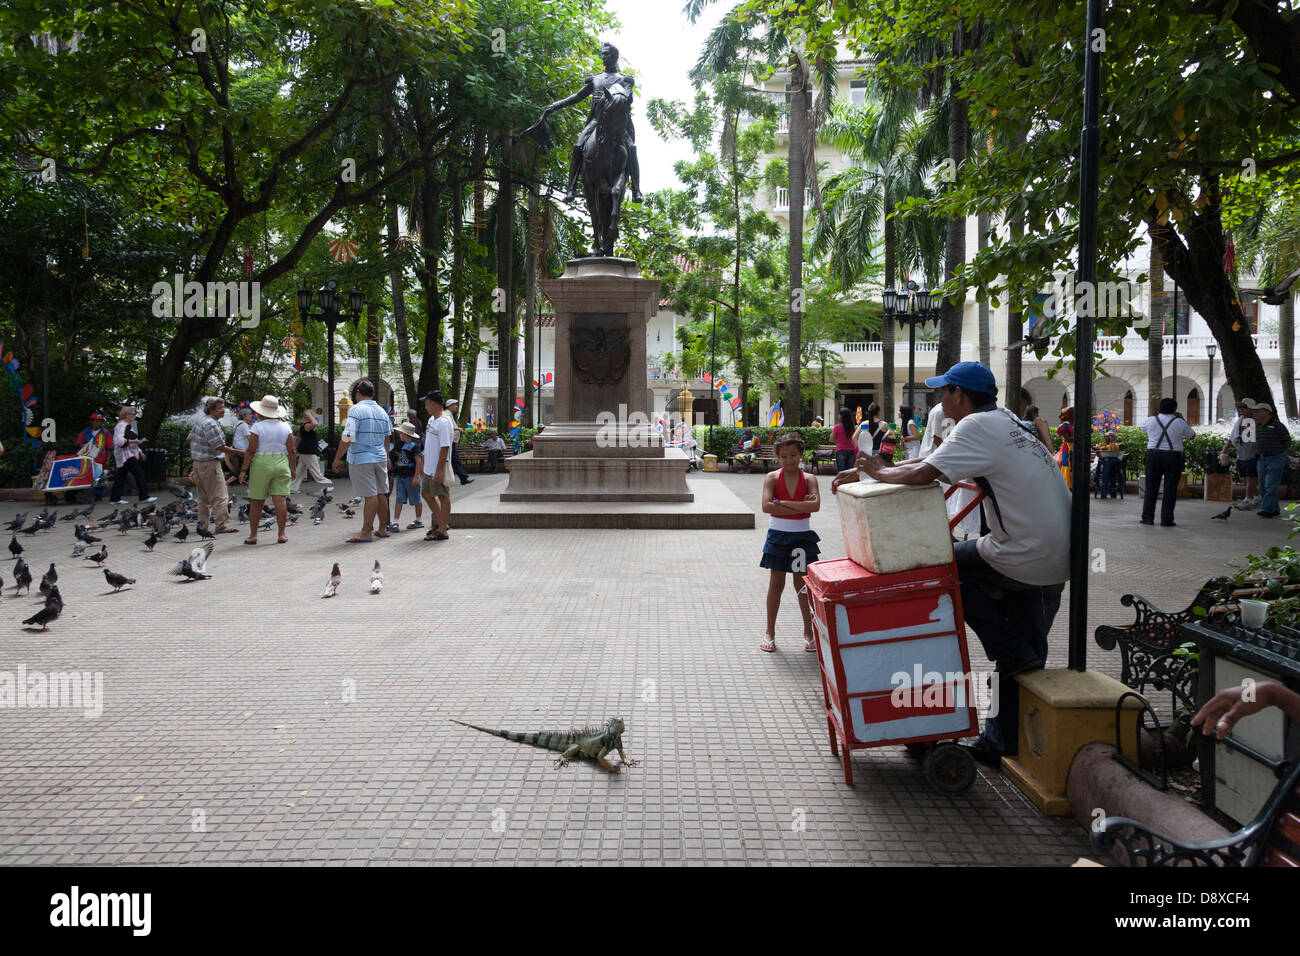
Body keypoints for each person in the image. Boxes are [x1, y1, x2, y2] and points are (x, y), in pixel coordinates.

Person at [831, 362, 1071, 766]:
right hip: (1057, 559)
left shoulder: (976, 426)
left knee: (938, 570)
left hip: (1021, 553)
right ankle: (1000, 743)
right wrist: (881, 473)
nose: (941, 401)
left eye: (945, 393)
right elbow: (931, 467)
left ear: (959, 395)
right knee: (1023, 660)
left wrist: (877, 472)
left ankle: (1006, 646)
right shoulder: (1008, 420)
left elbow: (924, 474)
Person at [760, 433, 821, 654]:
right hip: (778, 536)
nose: (789, 460)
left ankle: (808, 633)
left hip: (801, 538)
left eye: (793, 455)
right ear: (778, 457)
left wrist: (782, 503)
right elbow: (767, 507)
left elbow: (814, 507)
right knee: (776, 584)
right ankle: (770, 632)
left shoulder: (810, 479)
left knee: (802, 586)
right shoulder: (772, 478)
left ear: (801, 454)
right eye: (784, 456)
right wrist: (799, 506)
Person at [332, 380, 392, 543]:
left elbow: (348, 436)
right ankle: (382, 528)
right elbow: (387, 436)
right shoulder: (382, 411)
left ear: (358, 392)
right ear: (372, 394)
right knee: (381, 494)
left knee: (370, 496)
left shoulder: (356, 410)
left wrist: (337, 458)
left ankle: (366, 532)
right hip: (380, 457)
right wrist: (387, 456)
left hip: (362, 458)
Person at [239, 395, 297, 545]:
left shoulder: (257, 427)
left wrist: (244, 470)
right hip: (281, 462)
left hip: (261, 463)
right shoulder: (286, 427)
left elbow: (251, 450)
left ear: (262, 411)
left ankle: (253, 535)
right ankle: (282, 534)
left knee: (257, 501)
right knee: (280, 500)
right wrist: (293, 469)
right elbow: (292, 450)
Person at [1138, 397, 1197, 527]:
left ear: (1160, 408)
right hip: (1173, 456)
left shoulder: (1151, 420)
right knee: (1170, 489)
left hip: (1154, 455)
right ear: (1175, 409)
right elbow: (1192, 436)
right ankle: (1166, 520)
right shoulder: (1179, 422)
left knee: (1151, 487)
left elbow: (1141, 428)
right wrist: (1181, 419)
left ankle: (1147, 518)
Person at [187, 397, 239, 533]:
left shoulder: (200, 421)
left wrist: (199, 452)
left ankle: (202, 526)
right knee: (220, 496)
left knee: (203, 498)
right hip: (210, 464)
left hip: (198, 464)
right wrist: (240, 452)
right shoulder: (211, 424)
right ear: (211, 409)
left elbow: (189, 440)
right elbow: (220, 446)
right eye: (220, 408)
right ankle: (221, 525)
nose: (224, 410)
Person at [420, 391, 453, 542]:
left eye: (427, 404)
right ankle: (441, 523)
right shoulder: (431, 420)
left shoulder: (444, 422)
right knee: (426, 494)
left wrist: (439, 470)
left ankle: (442, 530)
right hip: (429, 467)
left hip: (437, 468)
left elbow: (445, 447)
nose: (426, 407)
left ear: (433, 404)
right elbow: (430, 444)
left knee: (443, 496)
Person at [1249, 400, 1291, 519]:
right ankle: (1275, 508)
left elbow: (1287, 441)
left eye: (1258, 411)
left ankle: (1267, 509)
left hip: (1276, 458)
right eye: (1254, 411)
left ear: (1267, 412)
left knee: (1270, 485)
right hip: (1262, 459)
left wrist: (1278, 451)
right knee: (1262, 485)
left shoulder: (1277, 425)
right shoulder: (1256, 426)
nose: (1255, 413)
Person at [109, 406, 156, 505]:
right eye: (133, 414)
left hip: (124, 455)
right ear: (127, 415)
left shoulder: (124, 425)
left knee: (121, 476)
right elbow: (120, 441)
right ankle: (144, 496)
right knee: (138, 473)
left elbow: (126, 441)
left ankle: (115, 498)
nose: (135, 416)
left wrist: (139, 451)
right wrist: (135, 441)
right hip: (126, 454)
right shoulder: (123, 425)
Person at [387, 421, 424, 532]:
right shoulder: (403, 445)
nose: (399, 435)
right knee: (399, 498)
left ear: (406, 434)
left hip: (410, 476)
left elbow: (419, 462)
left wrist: (416, 476)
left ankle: (418, 520)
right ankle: (396, 522)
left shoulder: (414, 447)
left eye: (401, 433)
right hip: (401, 477)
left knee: (416, 498)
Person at [1223, 399, 1259, 511]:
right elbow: (1233, 437)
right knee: (1248, 479)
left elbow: (1249, 440)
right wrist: (1225, 449)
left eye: (1244, 407)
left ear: (1251, 409)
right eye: (1240, 407)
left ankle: (1247, 500)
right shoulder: (1241, 420)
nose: (1241, 409)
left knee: (1250, 478)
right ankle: (1257, 497)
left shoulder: (1254, 422)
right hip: (1242, 454)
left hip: (1251, 455)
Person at [290, 411, 333, 495]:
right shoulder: (306, 425)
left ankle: (292, 488)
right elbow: (315, 423)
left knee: (300, 471)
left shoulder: (304, 426)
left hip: (305, 451)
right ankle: (326, 485)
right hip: (308, 451)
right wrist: (309, 414)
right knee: (315, 470)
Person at [76, 412, 114, 498]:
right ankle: (83, 493)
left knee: (101, 477)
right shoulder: (85, 432)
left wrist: (108, 460)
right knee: (84, 476)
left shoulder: (106, 433)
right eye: (97, 421)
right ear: (92, 421)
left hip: (100, 460)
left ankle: (99, 495)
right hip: (86, 460)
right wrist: (83, 446)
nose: (100, 423)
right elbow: (78, 443)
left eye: (101, 421)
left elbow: (110, 448)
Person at [444, 398, 474, 486]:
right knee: (454, 460)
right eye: (454, 405)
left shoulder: (449, 414)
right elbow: (447, 426)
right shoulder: (447, 415)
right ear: (450, 406)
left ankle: (463, 477)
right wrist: (458, 428)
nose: (456, 406)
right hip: (450, 441)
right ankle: (463, 477)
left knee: (454, 460)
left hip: (452, 441)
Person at [225, 405, 255, 484]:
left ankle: (249, 485)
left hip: (237, 448)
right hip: (242, 450)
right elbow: (249, 438)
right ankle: (225, 484)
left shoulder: (237, 424)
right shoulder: (244, 425)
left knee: (244, 468)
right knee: (245, 468)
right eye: (250, 414)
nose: (251, 416)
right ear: (244, 416)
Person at [831, 406, 857, 473]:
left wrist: (839, 441)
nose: (838, 416)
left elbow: (831, 439)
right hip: (851, 451)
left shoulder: (837, 427)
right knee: (849, 473)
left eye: (839, 414)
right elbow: (854, 439)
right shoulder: (852, 427)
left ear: (842, 416)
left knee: (841, 472)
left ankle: (840, 483)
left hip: (841, 451)